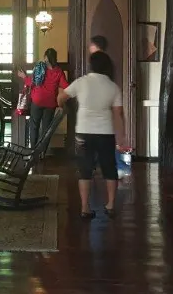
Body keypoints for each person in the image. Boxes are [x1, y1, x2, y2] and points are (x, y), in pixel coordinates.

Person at [58, 51, 125, 220]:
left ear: (91, 65)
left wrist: (64, 107)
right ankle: (110, 205)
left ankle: (85, 207)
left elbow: (61, 98)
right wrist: (121, 136)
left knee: (85, 170)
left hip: (84, 131)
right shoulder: (113, 87)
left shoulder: (82, 82)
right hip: (106, 132)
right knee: (110, 169)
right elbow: (118, 114)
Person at [16, 48, 69, 148]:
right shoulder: (59, 71)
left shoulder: (40, 68)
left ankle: (33, 150)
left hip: (37, 100)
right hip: (50, 103)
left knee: (34, 125)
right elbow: (65, 86)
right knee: (46, 129)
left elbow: (32, 82)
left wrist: (24, 77)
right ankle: (42, 152)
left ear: (45, 57)